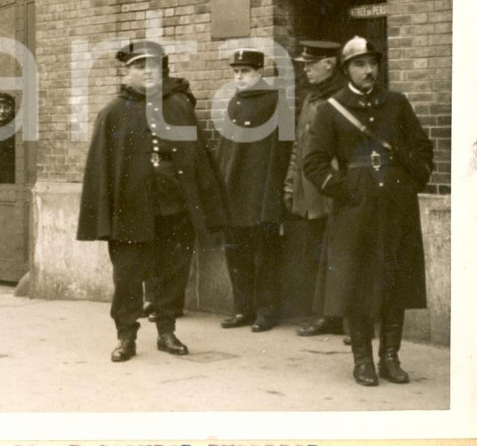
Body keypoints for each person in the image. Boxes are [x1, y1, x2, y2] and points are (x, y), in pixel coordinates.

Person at [78, 41, 226, 362]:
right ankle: (126, 336)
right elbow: (101, 170)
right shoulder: (113, 112)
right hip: (130, 212)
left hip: (174, 209)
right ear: (127, 71)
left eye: (154, 66)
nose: (148, 72)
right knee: (128, 276)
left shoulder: (178, 107)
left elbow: (198, 157)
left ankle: (166, 331)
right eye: (140, 66)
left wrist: (204, 204)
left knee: (173, 272)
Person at [303, 37, 433, 386]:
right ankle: (362, 360)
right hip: (355, 209)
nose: (368, 70)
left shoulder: (397, 103)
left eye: (372, 63)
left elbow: (421, 148)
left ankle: (390, 357)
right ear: (346, 70)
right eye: (360, 64)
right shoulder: (331, 109)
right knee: (355, 283)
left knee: (396, 282)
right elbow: (313, 163)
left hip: (396, 206)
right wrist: (346, 190)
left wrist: (409, 183)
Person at [215, 50, 292, 333]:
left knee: (265, 254)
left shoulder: (275, 102)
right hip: (234, 192)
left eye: (245, 72)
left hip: (261, 192)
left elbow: (281, 152)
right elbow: (226, 149)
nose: (239, 77)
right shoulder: (234, 103)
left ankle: (266, 311)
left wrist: (274, 191)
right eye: (236, 72)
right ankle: (242, 308)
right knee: (237, 253)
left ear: (259, 72)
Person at [283, 40, 346, 337]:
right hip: (310, 192)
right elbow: (299, 145)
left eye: (311, 64)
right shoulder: (311, 99)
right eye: (304, 64)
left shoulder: (343, 98)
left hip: (334, 191)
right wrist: (290, 182)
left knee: (341, 255)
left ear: (329, 64)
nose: (305, 69)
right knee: (319, 255)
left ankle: (348, 320)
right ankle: (327, 316)